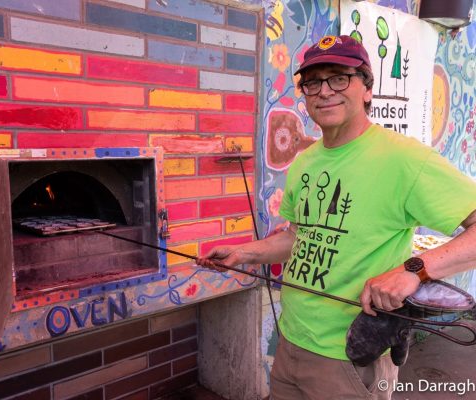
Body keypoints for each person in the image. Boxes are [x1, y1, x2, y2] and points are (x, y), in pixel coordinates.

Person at [198, 35, 476, 400]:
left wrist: (415, 269)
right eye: (313, 82)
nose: (324, 90)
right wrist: (244, 254)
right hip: (291, 342)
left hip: (351, 353)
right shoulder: (307, 160)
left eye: (339, 77)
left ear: (367, 89)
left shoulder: (403, 159)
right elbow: (300, 236)